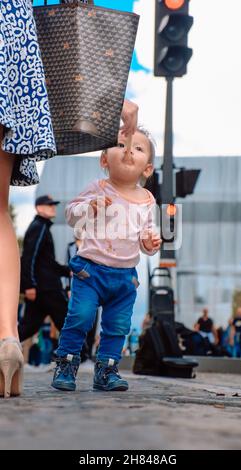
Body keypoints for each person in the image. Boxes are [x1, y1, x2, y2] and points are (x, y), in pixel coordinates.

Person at [0, 1, 138, 397]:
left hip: (91, 279)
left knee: (96, 321)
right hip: (7, 36)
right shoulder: (45, 223)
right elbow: (36, 251)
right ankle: (8, 341)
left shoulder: (137, 201)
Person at [51, 127, 162, 392]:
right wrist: (87, 209)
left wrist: (150, 243)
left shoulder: (147, 200)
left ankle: (107, 370)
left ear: (147, 169)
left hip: (124, 276)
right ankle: (66, 364)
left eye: (137, 148)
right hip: (90, 271)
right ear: (104, 160)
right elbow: (70, 215)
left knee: (118, 326)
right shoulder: (98, 188)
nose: (128, 151)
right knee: (80, 316)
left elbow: (146, 237)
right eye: (121, 144)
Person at [18, 195, 70, 342]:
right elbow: (29, 257)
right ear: (39, 208)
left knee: (28, 327)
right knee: (67, 321)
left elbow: (47, 263)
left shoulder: (42, 227)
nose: (53, 207)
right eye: (49, 205)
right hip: (46, 289)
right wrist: (29, 285)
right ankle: (82, 356)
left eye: (54, 205)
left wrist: (68, 271)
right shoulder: (39, 227)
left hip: (43, 288)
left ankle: (4, 348)